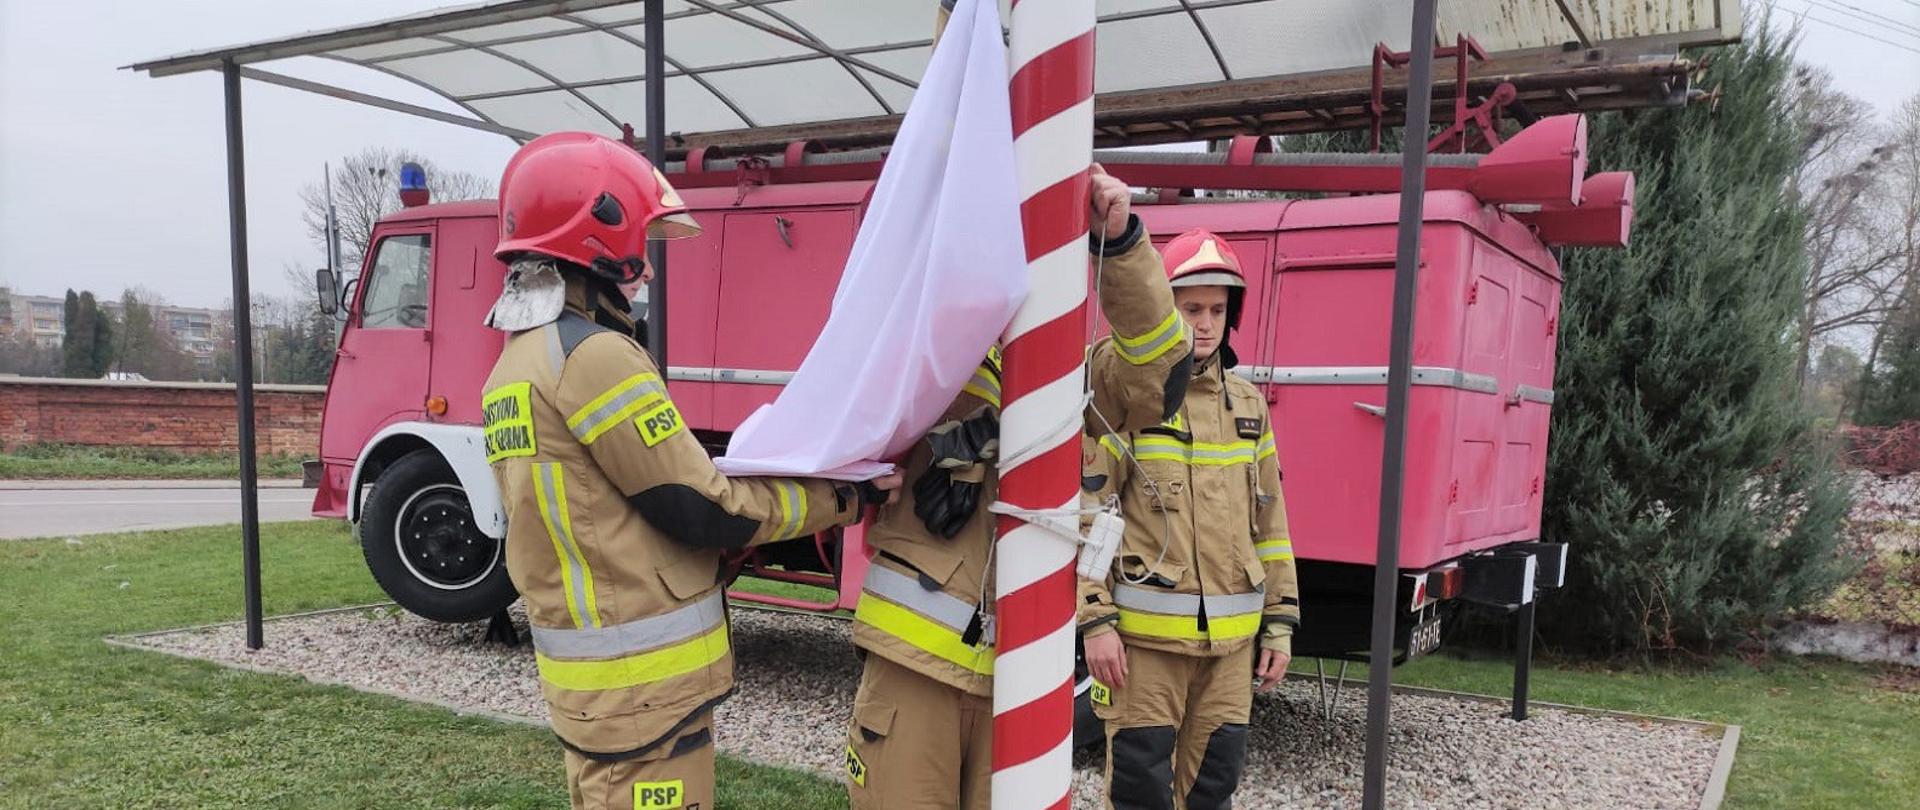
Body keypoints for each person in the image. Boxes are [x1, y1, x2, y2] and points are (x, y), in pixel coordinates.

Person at [479, 131, 900, 810]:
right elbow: (704, 509)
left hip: (598, 693)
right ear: (598, 241)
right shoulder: (595, 358)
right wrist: (842, 496)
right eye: (638, 250)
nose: (645, 272)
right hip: (645, 696)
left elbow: (601, 512)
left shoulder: (517, 363)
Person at [842, 164, 1194, 810]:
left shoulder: (1067, 369)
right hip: (917, 662)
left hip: (1023, 671)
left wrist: (1119, 245)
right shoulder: (930, 332)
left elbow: (1159, 383)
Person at [1079, 229, 1301, 810]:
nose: (1205, 323)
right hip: (1144, 649)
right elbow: (1090, 513)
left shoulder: (1250, 408)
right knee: (1139, 793)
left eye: (1217, 310)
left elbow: (1270, 525)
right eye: (1191, 308)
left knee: (1212, 793)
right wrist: (1095, 622)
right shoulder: (1129, 401)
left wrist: (1278, 623)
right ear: (1165, 311)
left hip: (1230, 652)